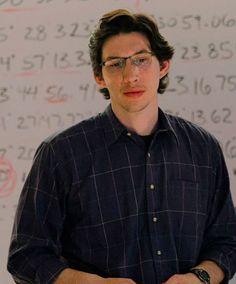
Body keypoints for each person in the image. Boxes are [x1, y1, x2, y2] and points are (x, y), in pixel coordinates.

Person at [7, 8, 236, 284]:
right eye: (115, 63)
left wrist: (199, 278)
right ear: (99, 76)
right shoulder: (61, 153)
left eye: (141, 60)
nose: (130, 75)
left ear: (163, 65)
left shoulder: (203, 149)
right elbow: (26, 255)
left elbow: (227, 243)